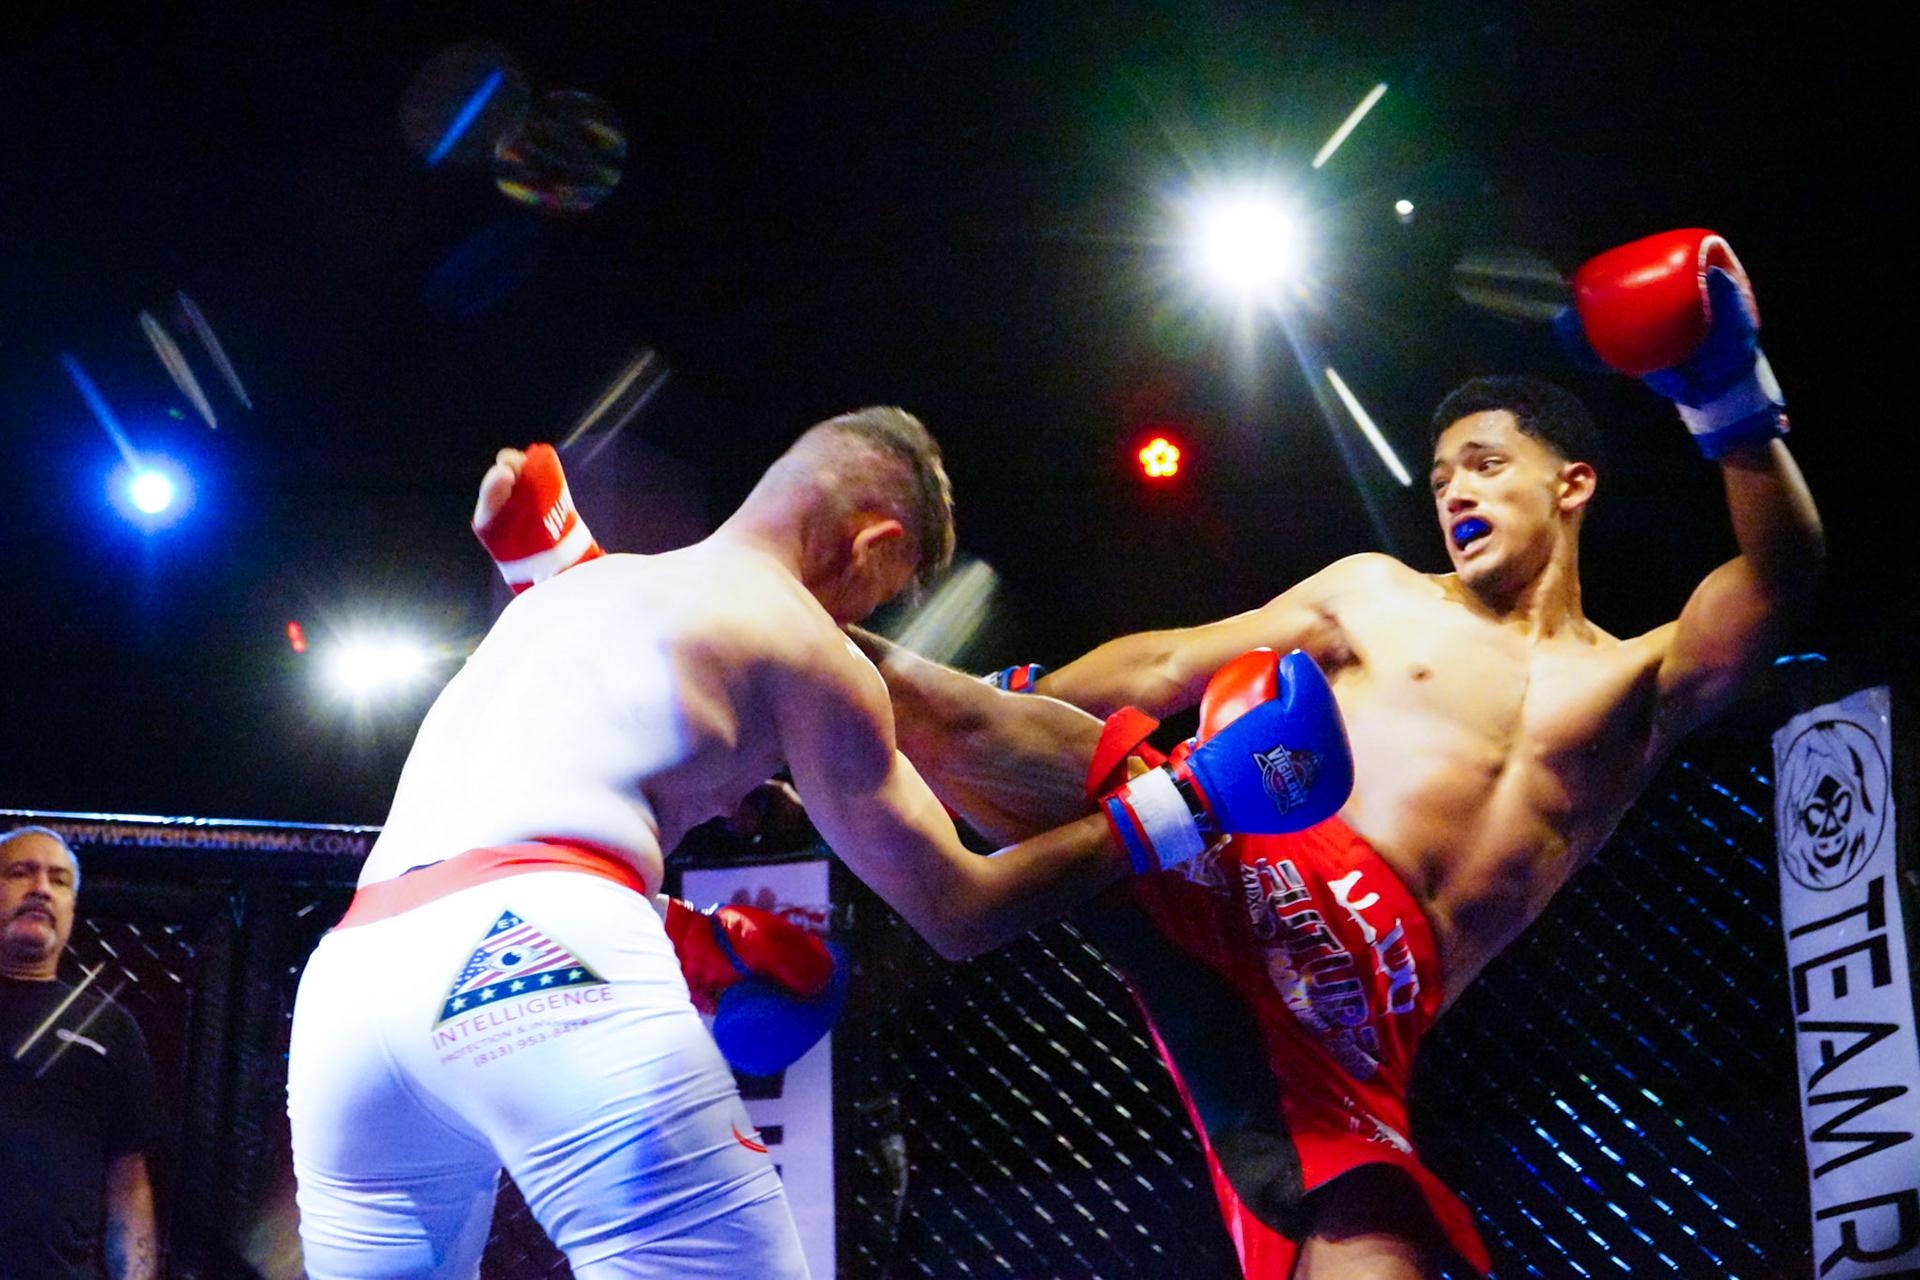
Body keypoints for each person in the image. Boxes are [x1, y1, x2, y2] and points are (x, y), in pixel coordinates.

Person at [855, 228, 1826, 1277]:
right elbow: (1168, 662)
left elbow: (1778, 580)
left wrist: (1731, 401)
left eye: (1487, 466)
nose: (1454, 493)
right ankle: (765, 631)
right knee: (943, 710)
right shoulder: (1377, 593)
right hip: (1246, 857)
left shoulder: (1636, 682)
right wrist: (1030, 692)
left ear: (1573, 484)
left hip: (1359, 1021)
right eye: (1441, 478)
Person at [289, 406, 1351, 1279]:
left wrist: (684, 927)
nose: (864, 617)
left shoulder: (579, 591)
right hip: (542, 957)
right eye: (884, 591)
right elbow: (960, 909)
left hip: (347, 989)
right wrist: (1191, 802)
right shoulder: (805, 644)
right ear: (875, 543)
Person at [1, 826, 163, 1280]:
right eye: (20, 872)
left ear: (71, 909)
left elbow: (128, 1183)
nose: (40, 888)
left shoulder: (110, 1028)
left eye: (58, 880)